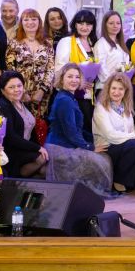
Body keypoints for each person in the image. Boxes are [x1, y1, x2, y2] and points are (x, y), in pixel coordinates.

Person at [45, 63, 114, 197]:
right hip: (60, 148)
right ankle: (92, 193)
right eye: (70, 76)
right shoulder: (65, 100)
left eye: (77, 77)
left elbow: (77, 130)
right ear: (62, 79)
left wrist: (94, 140)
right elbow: (71, 133)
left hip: (66, 144)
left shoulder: (69, 97)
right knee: (100, 160)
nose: (74, 80)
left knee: (103, 157)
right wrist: (90, 147)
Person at [94, 72, 135, 192]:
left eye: (120, 89)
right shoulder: (101, 108)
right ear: (108, 89)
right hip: (107, 146)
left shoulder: (126, 108)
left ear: (126, 91)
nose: (116, 92)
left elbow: (131, 131)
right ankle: (119, 181)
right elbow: (110, 135)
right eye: (113, 88)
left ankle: (131, 181)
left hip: (125, 147)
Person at [0, 71, 49, 178]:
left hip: (24, 147)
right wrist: (37, 148)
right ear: (3, 90)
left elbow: (31, 130)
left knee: (45, 168)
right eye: (11, 87)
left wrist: (39, 147)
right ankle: (16, 178)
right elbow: (10, 137)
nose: (17, 89)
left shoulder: (20, 102)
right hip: (11, 150)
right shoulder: (2, 106)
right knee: (41, 160)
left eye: (19, 86)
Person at [6, 8, 54, 124]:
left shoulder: (47, 43)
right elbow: (10, 69)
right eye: (26, 20)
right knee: (21, 124)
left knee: (39, 125)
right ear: (21, 23)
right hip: (19, 92)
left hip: (42, 94)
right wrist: (22, 92)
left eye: (33, 19)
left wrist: (42, 91)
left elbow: (50, 68)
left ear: (39, 22)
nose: (30, 22)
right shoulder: (14, 43)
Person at [94, 10, 131, 93]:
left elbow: (125, 66)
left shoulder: (121, 44)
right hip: (105, 88)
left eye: (118, 23)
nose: (115, 26)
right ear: (105, 25)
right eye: (111, 23)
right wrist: (113, 82)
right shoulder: (101, 43)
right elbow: (101, 67)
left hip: (120, 87)